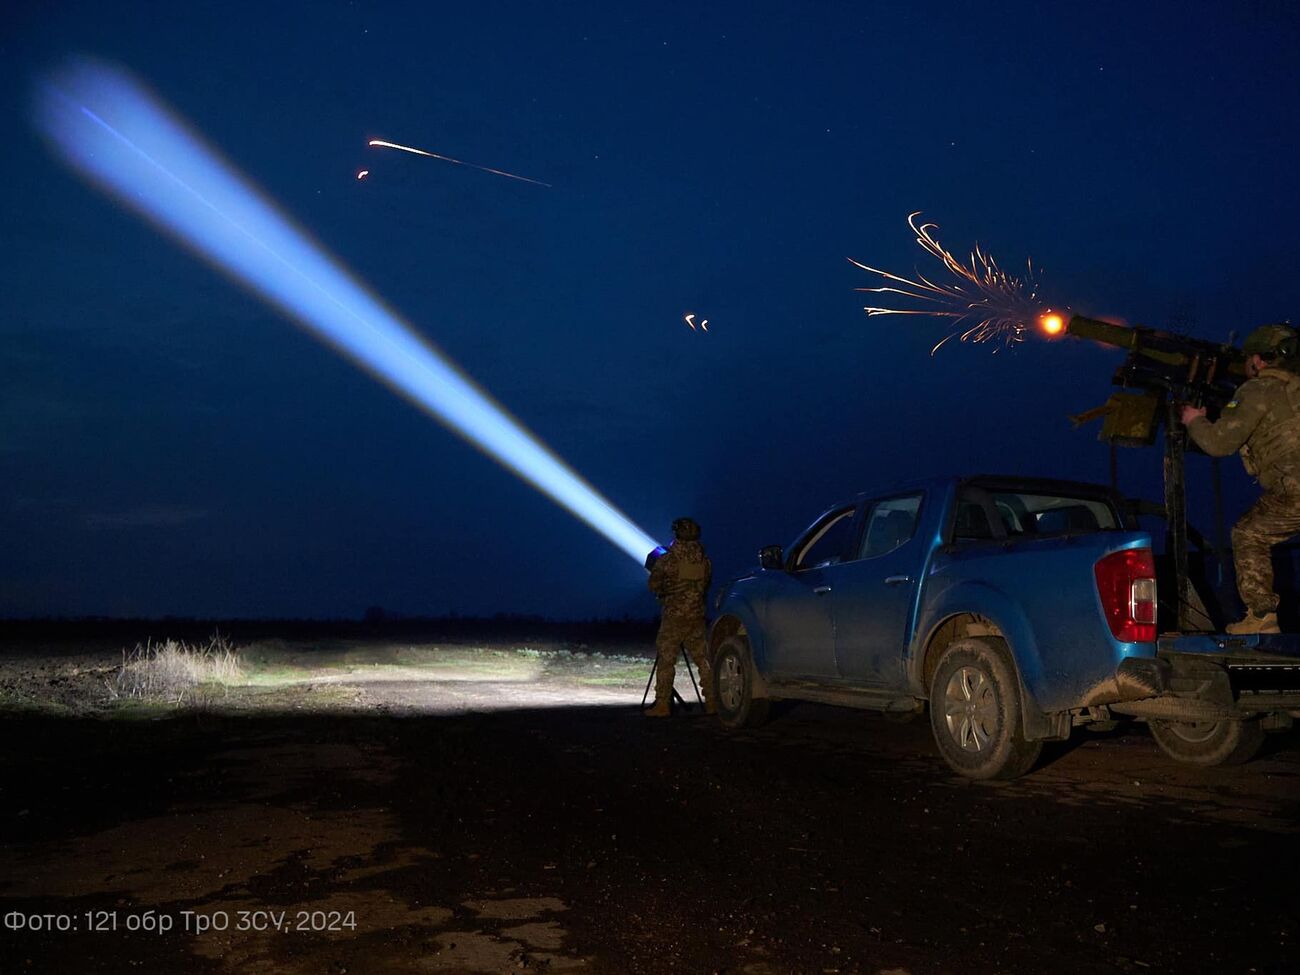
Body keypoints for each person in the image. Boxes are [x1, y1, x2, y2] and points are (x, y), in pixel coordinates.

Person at [1180, 323, 1300, 634]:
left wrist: (1195, 421)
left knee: (1249, 533)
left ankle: (1261, 617)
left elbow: (1219, 443)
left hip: (1295, 490)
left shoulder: (1258, 389)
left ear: (1259, 360)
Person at [645, 517, 713, 716]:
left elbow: (653, 585)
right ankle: (713, 702)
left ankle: (663, 704)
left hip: (674, 617)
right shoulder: (705, 561)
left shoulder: (668, 560)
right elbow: (705, 586)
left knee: (666, 660)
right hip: (697, 616)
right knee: (703, 659)